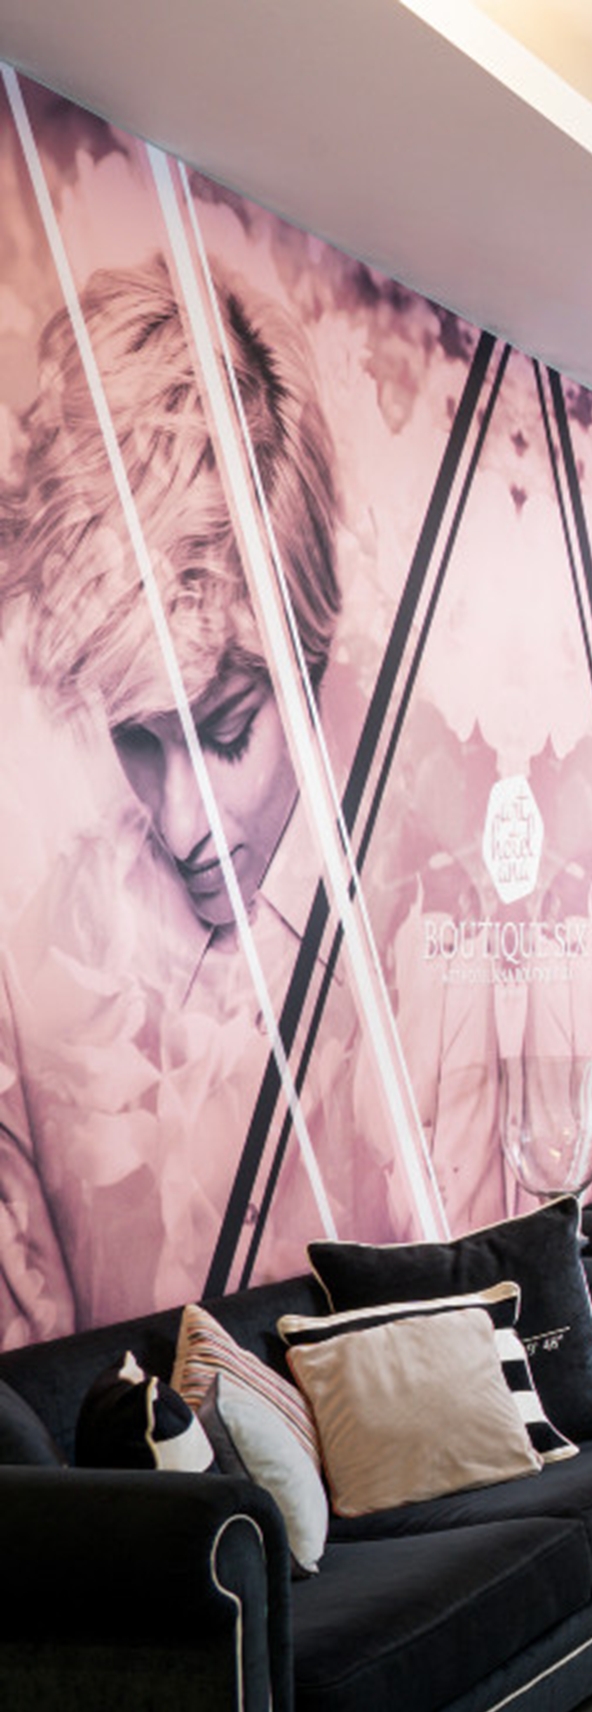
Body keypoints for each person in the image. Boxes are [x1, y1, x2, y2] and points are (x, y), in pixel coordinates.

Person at [0, 256, 347, 1344]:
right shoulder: (41, 980)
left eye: (228, 729)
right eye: (135, 740)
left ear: (313, 661)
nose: (184, 825)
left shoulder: (425, 934)